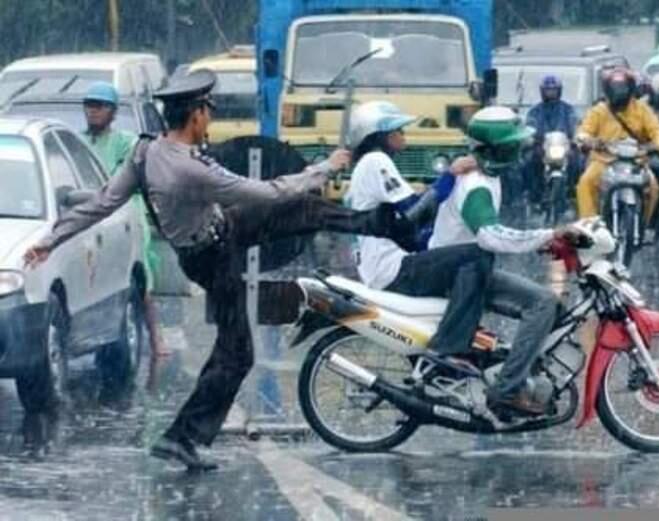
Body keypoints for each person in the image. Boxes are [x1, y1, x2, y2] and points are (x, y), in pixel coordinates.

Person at [23, 69, 411, 471]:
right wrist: (324, 169)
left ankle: (384, 225)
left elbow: (101, 201)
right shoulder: (192, 169)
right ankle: (181, 438)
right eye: (208, 111)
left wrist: (50, 240)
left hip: (223, 229)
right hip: (214, 258)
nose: (210, 118)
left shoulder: (144, 153)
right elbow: (267, 192)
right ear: (194, 115)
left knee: (302, 209)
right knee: (236, 355)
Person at [427, 106, 583, 418]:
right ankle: (507, 390)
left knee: (542, 305)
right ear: (499, 148)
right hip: (459, 275)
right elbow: (490, 236)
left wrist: (544, 241)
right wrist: (546, 234)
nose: (519, 151)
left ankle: (515, 370)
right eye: (513, 145)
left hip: (468, 270)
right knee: (542, 304)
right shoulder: (476, 184)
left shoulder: (486, 175)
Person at [346, 100, 494, 357]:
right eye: (398, 131)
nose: (403, 135)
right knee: (478, 255)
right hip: (392, 269)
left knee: (456, 260)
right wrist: (451, 174)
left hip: (382, 267)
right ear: (380, 135)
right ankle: (450, 345)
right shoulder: (375, 160)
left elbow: (403, 228)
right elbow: (415, 212)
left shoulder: (366, 166)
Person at [82, 81, 169, 358]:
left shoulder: (125, 143)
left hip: (125, 215)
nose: (93, 111)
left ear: (112, 112)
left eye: (100, 106)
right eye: (89, 105)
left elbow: (126, 178)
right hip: (90, 215)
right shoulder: (77, 142)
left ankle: (156, 339)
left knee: (140, 278)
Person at [575, 67, 659, 222]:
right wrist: (588, 140)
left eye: (623, 87)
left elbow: (656, 130)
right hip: (604, 160)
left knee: (653, 187)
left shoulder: (642, 109)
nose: (619, 92)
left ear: (630, 88)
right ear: (608, 89)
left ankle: (644, 223)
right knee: (586, 183)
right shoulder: (599, 110)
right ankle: (589, 225)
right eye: (615, 87)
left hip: (637, 161)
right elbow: (584, 131)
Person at [524, 75, 580, 203]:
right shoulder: (535, 111)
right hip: (542, 147)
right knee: (528, 162)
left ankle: (572, 193)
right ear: (542, 91)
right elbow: (530, 126)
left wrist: (576, 138)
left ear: (559, 91)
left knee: (578, 162)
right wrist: (532, 138)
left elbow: (575, 125)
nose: (551, 93)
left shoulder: (568, 110)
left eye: (554, 90)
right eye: (548, 90)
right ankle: (534, 195)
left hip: (563, 147)